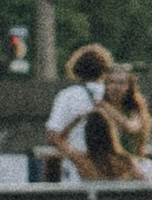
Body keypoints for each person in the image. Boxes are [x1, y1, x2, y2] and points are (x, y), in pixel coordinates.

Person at [48, 40, 118, 179]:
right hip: (113, 166)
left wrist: (76, 157)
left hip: (76, 169)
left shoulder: (66, 96)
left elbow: (53, 136)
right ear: (105, 69)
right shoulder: (114, 93)